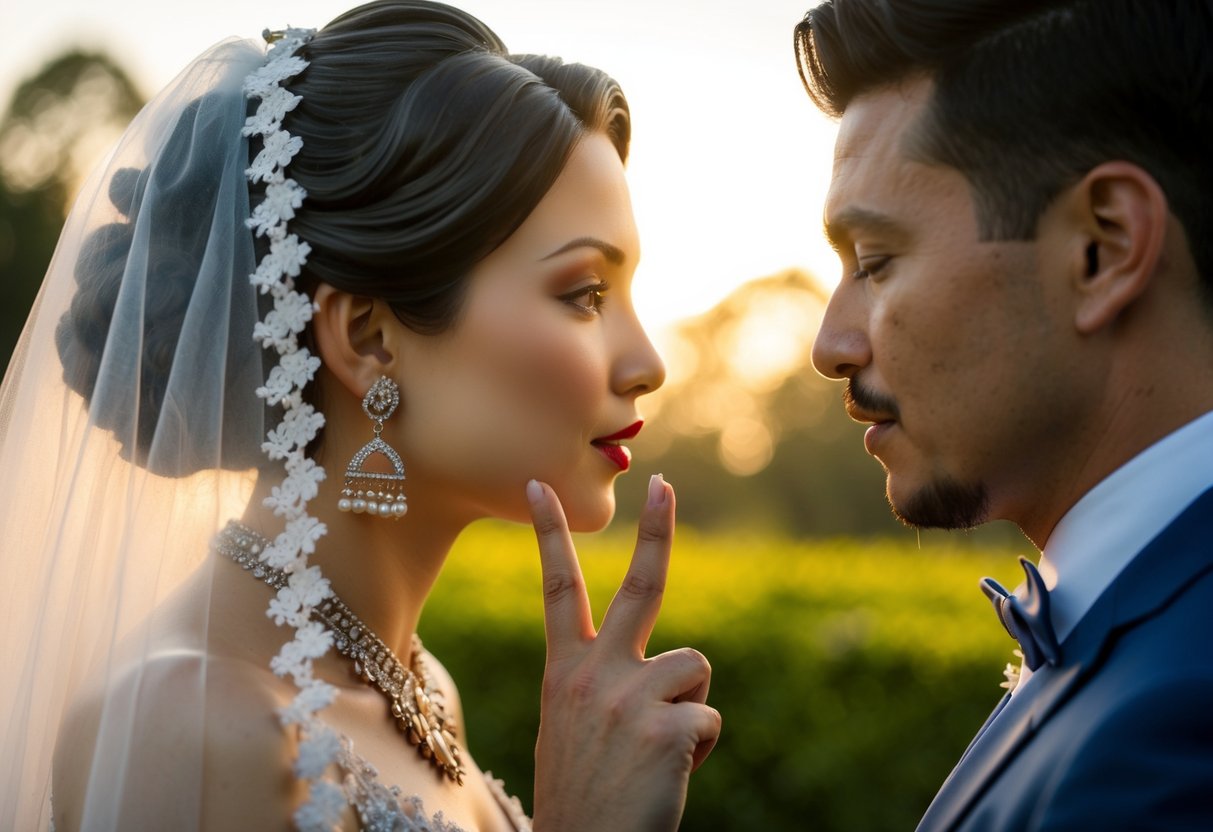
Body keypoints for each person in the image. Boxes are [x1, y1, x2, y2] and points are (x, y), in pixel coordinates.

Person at [0, 2, 720, 829]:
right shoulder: (194, 725)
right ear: (368, 338)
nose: (648, 364)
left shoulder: (422, 690)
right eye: (585, 293)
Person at [527, 0, 1213, 829]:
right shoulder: (1127, 621)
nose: (831, 344)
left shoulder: (1173, 735)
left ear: (1100, 247)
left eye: (877, 262)